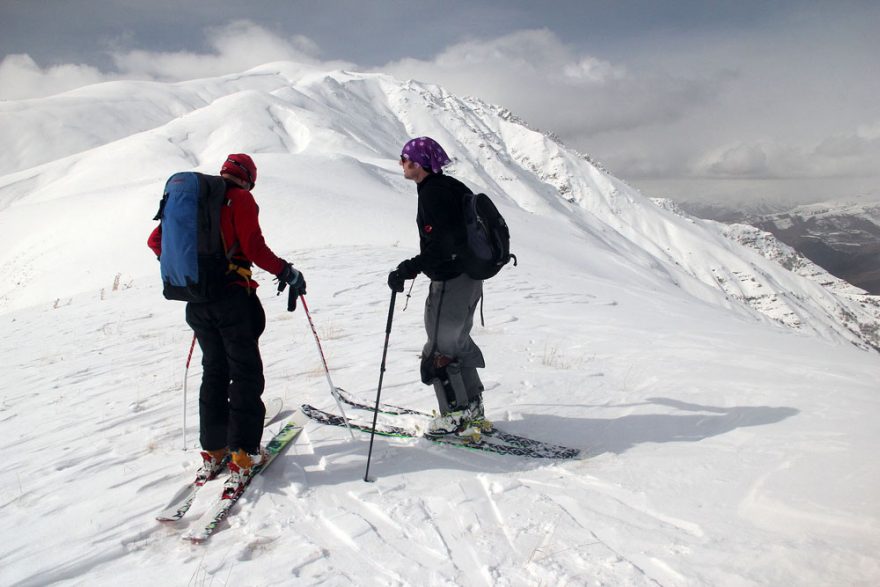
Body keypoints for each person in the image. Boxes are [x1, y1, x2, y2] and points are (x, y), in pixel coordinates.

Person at [148, 154, 306, 485]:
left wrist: (196, 272)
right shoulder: (240, 199)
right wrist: (285, 271)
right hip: (232, 300)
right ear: (248, 178)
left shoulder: (195, 201)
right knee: (245, 373)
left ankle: (214, 450)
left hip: (197, 301)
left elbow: (155, 241)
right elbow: (252, 245)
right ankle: (243, 454)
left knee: (215, 372)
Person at [388, 137, 491, 437]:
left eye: (404, 158)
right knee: (456, 342)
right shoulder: (452, 187)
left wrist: (406, 269)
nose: (401, 163)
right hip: (471, 278)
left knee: (438, 350)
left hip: (451, 282)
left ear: (418, 163)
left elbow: (441, 248)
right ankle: (472, 407)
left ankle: (454, 416)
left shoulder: (433, 194)